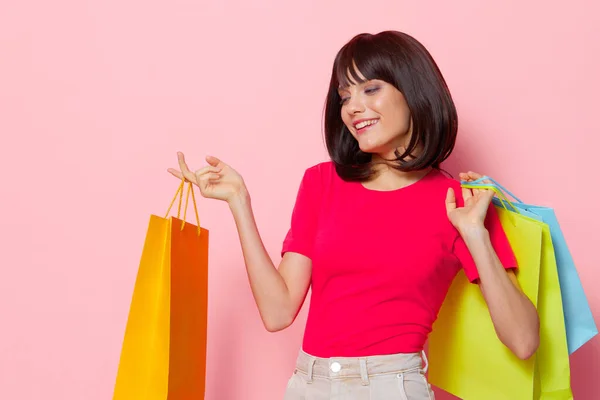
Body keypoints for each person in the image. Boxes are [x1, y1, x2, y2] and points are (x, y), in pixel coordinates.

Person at [168, 30, 540, 400]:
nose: (352, 107)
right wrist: (239, 201)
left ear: (413, 91)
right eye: (344, 96)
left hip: (390, 386)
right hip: (308, 384)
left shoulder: (461, 202)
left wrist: (475, 234)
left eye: (370, 89)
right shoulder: (321, 183)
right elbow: (277, 312)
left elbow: (523, 340)